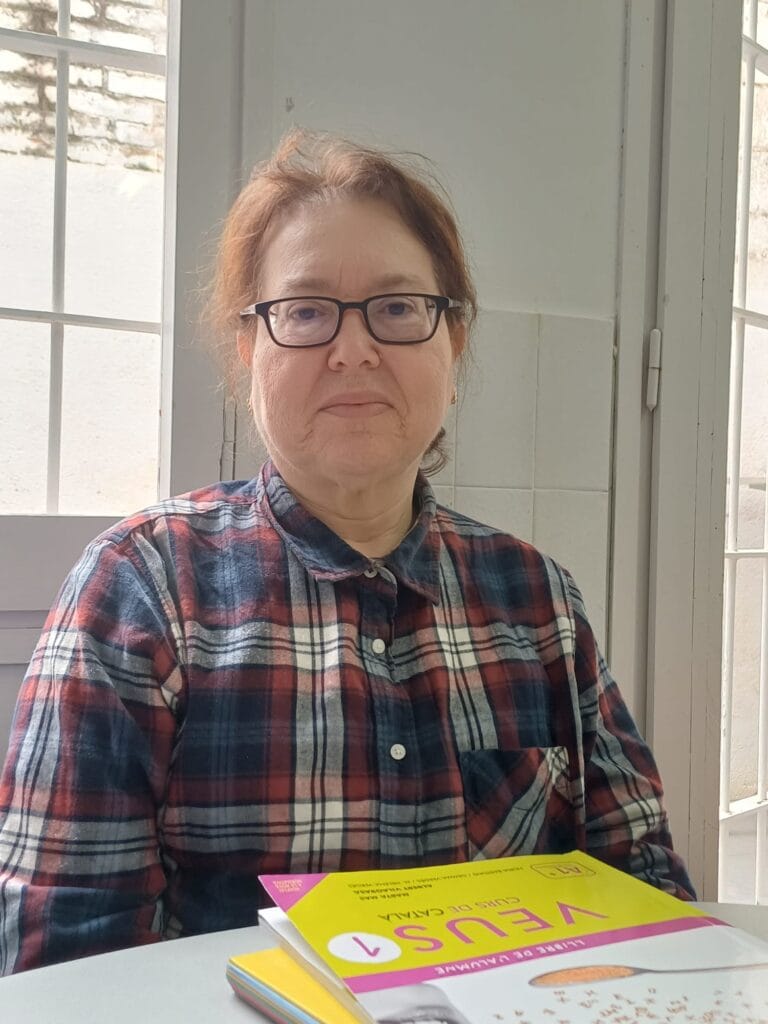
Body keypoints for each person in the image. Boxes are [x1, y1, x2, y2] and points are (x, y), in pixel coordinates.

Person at [0, 129, 694, 976]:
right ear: (249, 348)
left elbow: (647, 897)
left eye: (398, 309)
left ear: (454, 343)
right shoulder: (140, 590)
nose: (355, 349)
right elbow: (65, 967)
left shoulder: (537, 598)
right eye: (305, 311)